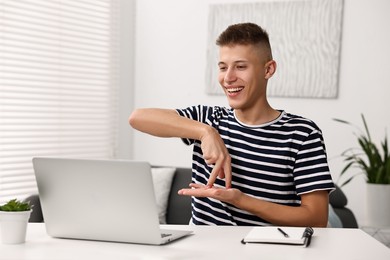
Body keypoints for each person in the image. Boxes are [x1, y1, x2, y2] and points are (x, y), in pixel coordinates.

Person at [129, 22, 335, 227]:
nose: (228, 78)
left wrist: (240, 200)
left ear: (268, 69)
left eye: (240, 66)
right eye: (223, 67)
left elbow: (315, 218)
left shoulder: (302, 133)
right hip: (201, 249)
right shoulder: (209, 119)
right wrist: (205, 132)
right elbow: (138, 118)